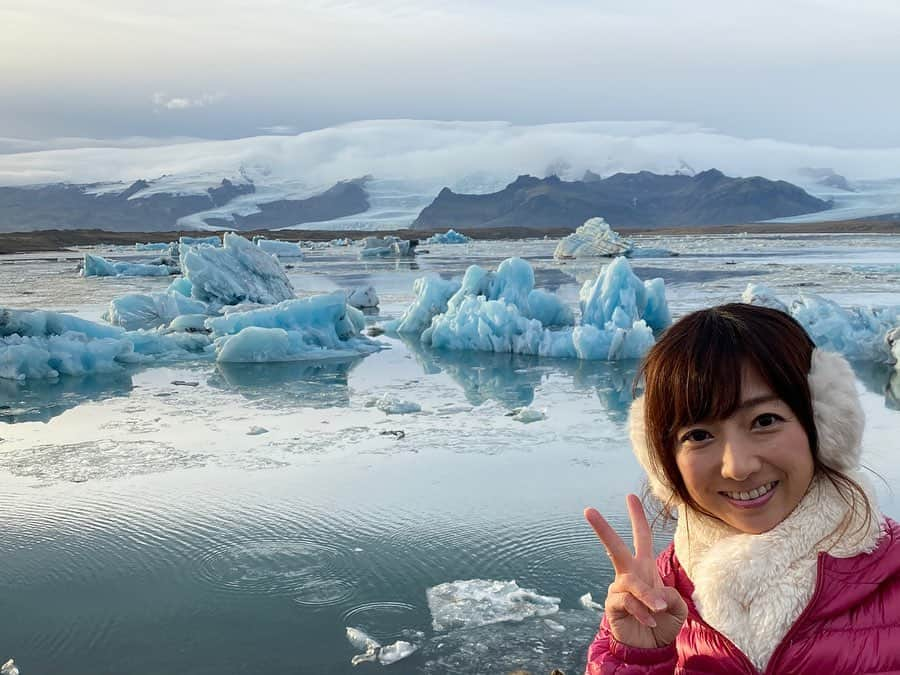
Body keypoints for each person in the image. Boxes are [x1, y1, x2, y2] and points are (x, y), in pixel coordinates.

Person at [583, 303, 900, 674]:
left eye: (765, 420)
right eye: (699, 435)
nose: (737, 467)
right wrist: (636, 659)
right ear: (664, 460)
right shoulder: (652, 599)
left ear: (824, 426)